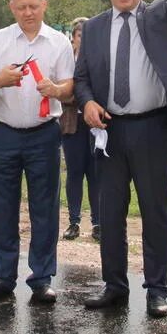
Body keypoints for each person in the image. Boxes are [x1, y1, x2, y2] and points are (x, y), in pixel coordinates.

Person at [75, 0, 167, 319]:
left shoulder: (158, 15)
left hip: (152, 129)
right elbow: (81, 79)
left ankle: (157, 289)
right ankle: (114, 285)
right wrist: (88, 103)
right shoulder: (93, 27)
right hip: (109, 132)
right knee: (110, 215)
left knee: (155, 212)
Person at [0, 0, 75, 304]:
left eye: (33, 6)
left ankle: (41, 278)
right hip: (4, 132)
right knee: (2, 208)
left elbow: (71, 85)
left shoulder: (59, 42)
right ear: (11, 7)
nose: (28, 12)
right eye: (21, 7)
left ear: (44, 5)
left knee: (44, 209)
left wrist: (57, 91)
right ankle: (3, 277)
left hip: (44, 134)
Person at [61, 17, 100, 243]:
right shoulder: (66, 62)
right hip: (71, 124)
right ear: (73, 39)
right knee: (74, 172)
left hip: (94, 125)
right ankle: (73, 221)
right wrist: (81, 96)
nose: (83, 40)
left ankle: (98, 223)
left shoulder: (98, 61)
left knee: (95, 173)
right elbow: (62, 92)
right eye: (79, 36)